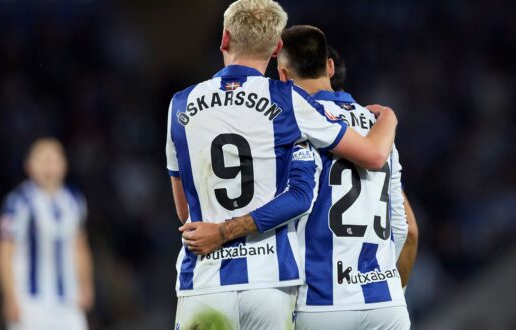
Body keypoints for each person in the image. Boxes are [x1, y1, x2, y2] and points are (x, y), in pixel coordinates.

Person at [166, 0, 398, 329]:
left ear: (224, 39)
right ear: (276, 48)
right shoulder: (290, 100)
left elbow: (184, 211)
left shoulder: (180, 104)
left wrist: (218, 229)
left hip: (203, 281)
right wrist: (388, 116)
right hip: (269, 283)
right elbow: (374, 156)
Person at [276, 25, 410, 329]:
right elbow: (400, 226)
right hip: (386, 301)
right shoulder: (380, 128)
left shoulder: (295, 124)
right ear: (330, 66)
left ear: (283, 76)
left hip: (322, 300)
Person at [327, 45, 419, 289]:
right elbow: (409, 232)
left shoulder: (302, 130)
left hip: (324, 296)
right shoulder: (380, 129)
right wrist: (393, 294)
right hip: (380, 297)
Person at [0, 138, 94, 330]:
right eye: (42, 160)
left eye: (53, 159)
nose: (48, 165)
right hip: (30, 303)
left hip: (68, 301)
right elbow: (5, 251)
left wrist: (86, 285)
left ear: (64, 164)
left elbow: (80, 247)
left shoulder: (74, 201)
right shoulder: (18, 202)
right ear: (29, 165)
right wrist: (9, 296)